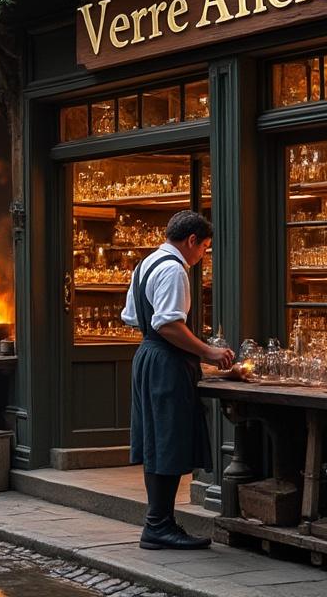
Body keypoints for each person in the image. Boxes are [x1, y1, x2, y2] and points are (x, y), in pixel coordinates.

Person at [122, 210, 233, 550]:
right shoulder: (173, 270)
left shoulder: (146, 264)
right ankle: (158, 525)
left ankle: (159, 523)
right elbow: (168, 324)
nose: (203, 256)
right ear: (191, 241)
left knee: (158, 438)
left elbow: (130, 317)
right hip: (165, 361)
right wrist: (208, 352)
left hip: (148, 357)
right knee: (167, 438)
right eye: (205, 248)